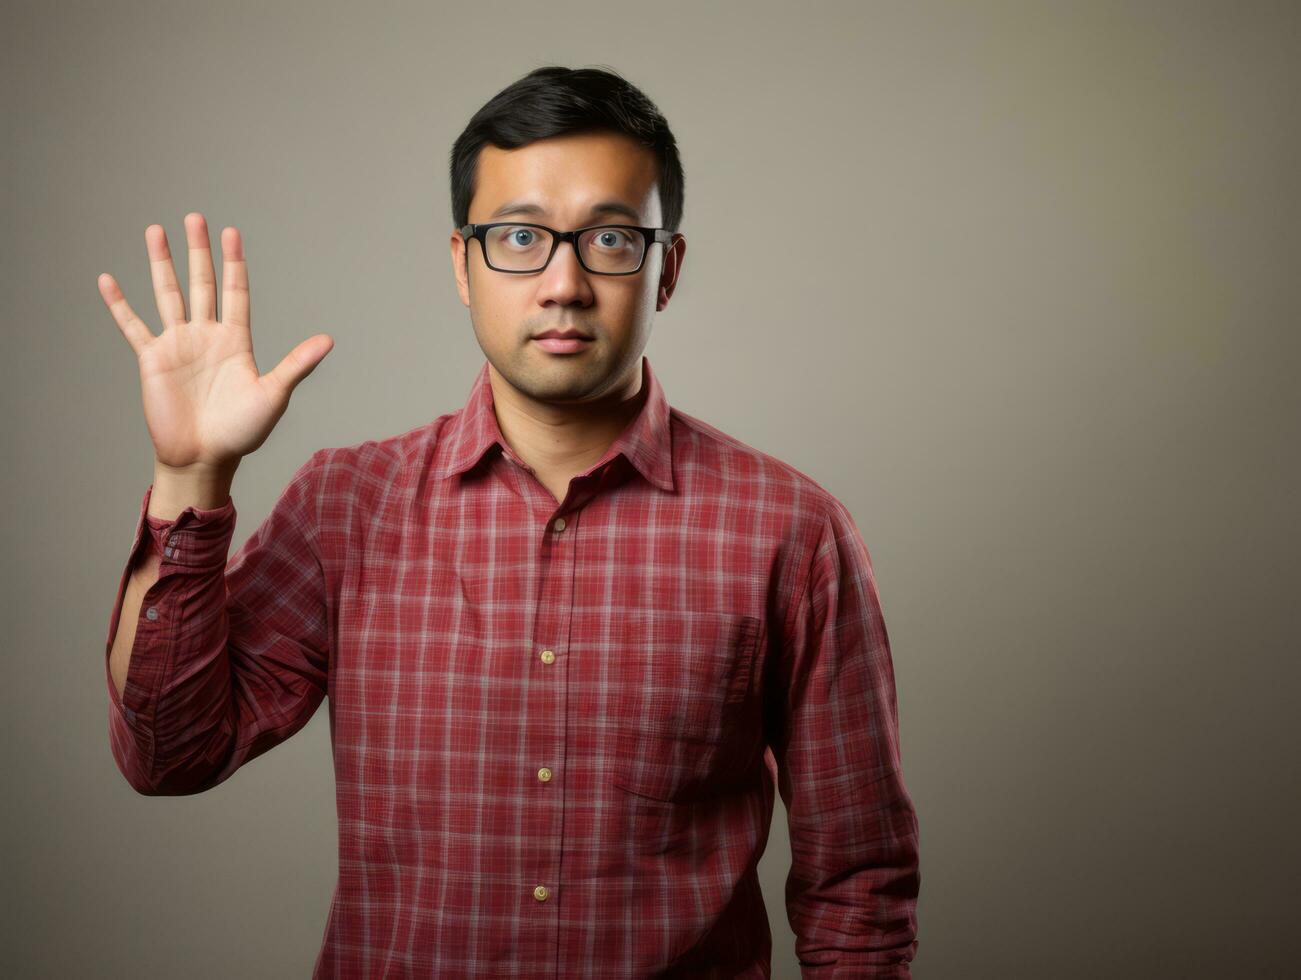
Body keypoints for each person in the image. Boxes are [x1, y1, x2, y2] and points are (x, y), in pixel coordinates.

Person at [98, 65, 920, 979]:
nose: (563, 283)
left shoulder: (789, 531)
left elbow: (858, 881)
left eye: (611, 237)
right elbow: (168, 754)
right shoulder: (348, 503)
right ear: (462, 263)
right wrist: (189, 473)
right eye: (520, 237)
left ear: (666, 268)